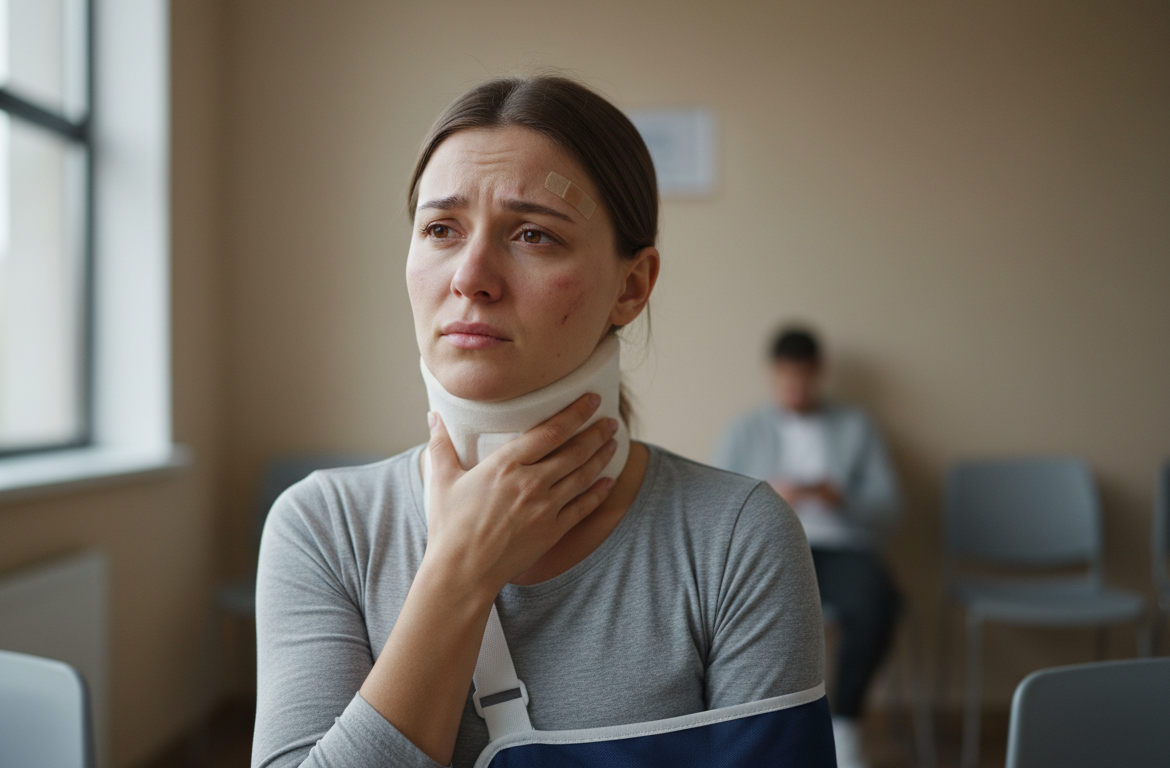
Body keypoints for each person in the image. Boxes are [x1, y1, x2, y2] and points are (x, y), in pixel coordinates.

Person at [253, 76, 830, 768]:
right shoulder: (323, 528)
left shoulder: (735, 537)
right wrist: (461, 573)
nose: (471, 277)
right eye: (441, 229)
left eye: (533, 234)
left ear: (632, 286)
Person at [715, 326, 903, 768]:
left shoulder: (857, 427)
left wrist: (841, 498)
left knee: (879, 600)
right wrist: (767, 493)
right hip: (770, 546)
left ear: (819, 373)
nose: (794, 390)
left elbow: (890, 508)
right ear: (772, 375)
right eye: (785, 380)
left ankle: (846, 724)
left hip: (840, 546)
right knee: (735, 612)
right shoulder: (744, 430)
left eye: (802, 379)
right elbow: (716, 505)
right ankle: (759, 736)